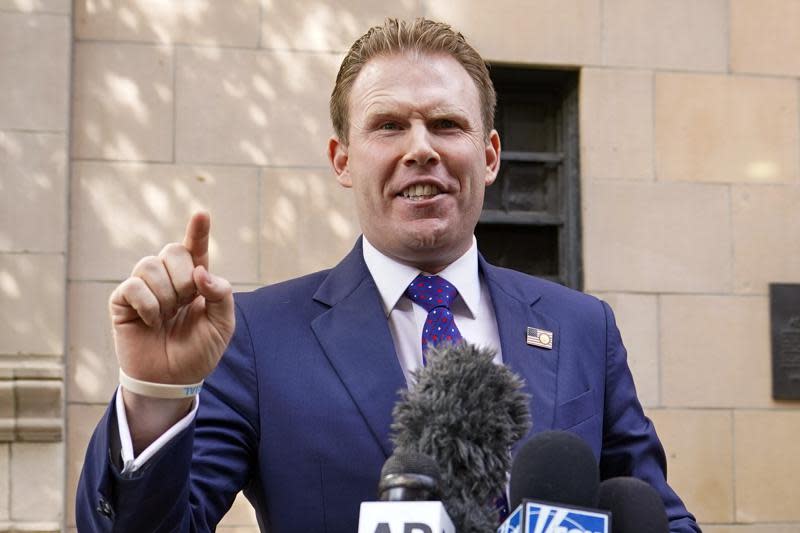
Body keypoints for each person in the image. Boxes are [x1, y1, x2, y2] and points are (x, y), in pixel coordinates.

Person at [76, 18, 700, 532]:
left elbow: (659, 516)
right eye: (389, 125)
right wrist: (153, 394)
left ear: (488, 156)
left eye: (447, 124)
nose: (421, 147)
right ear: (342, 159)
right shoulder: (260, 336)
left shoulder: (582, 326)